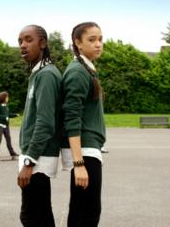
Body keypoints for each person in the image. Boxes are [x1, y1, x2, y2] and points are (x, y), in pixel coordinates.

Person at [17, 25, 63, 226]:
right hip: (35, 157)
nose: (22, 45)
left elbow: (45, 123)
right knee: (40, 214)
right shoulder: (38, 73)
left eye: (28, 40)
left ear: (42, 43)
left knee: (32, 217)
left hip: (38, 159)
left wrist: (29, 162)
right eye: (20, 41)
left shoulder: (46, 75)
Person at [62, 22, 106, 227]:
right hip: (85, 152)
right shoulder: (78, 72)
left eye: (100, 39)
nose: (98, 44)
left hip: (89, 150)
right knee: (87, 214)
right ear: (77, 43)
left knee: (82, 211)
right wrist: (78, 164)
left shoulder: (86, 69)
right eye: (92, 39)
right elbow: (72, 117)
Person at [0, 91, 19, 158]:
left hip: (6, 126)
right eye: (7, 97)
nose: (8, 98)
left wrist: (15, 115)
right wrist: (4, 117)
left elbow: (7, 115)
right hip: (0, 125)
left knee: (8, 139)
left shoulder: (6, 106)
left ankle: (12, 153)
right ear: (3, 98)